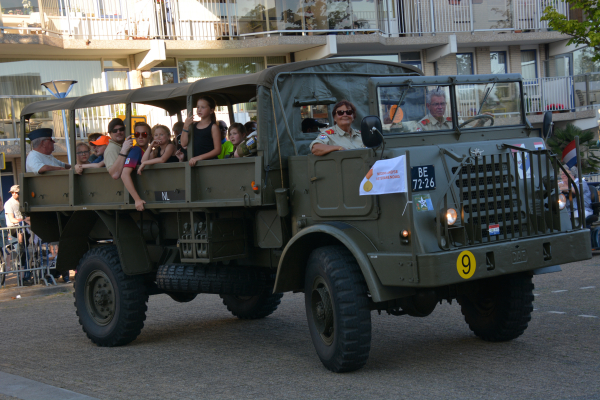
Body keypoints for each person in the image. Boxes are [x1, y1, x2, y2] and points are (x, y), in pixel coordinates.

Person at [120, 123, 153, 211]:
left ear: (150, 136)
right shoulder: (136, 150)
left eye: (144, 134)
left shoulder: (149, 150)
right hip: (145, 195)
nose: (140, 137)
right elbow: (124, 174)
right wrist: (137, 199)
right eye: (137, 134)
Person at [180, 96, 221, 166]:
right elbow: (183, 143)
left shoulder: (213, 127)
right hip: (195, 164)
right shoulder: (193, 125)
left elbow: (217, 150)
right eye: (198, 107)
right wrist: (185, 126)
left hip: (210, 164)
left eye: (203, 107)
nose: (199, 110)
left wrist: (198, 158)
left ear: (211, 110)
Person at [4, 185, 31, 285]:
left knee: (26, 255)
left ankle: (25, 278)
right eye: (12, 192)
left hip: (23, 230)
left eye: (17, 192)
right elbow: (12, 219)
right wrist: (24, 220)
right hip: (14, 230)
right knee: (21, 253)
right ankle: (22, 279)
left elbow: (29, 218)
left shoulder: (23, 202)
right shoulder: (9, 203)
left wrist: (25, 220)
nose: (14, 194)